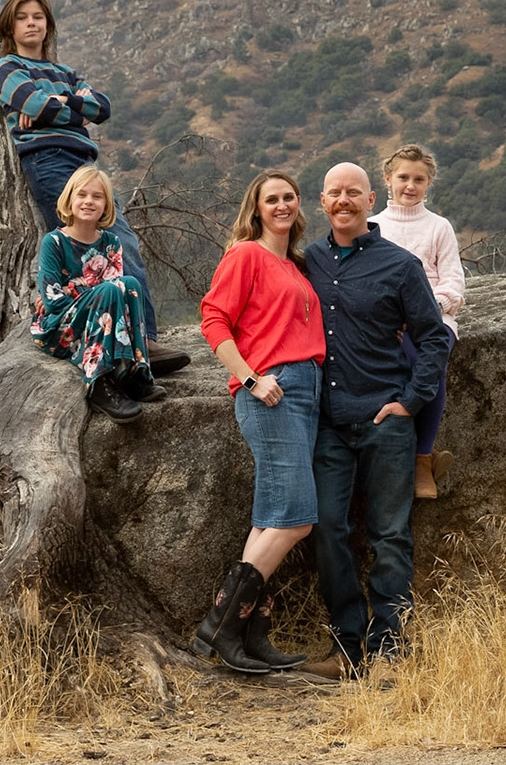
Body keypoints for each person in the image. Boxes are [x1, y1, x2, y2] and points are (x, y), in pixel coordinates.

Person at [301, 162, 452, 679]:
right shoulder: (310, 261)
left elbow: (432, 336)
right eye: (334, 193)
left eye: (353, 193)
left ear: (371, 200)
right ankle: (348, 649)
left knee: (390, 534)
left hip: (386, 419)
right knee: (326, 528)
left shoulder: (400, 265)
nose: (343, 201)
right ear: (322, 201)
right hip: (329, 423)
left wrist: (410, 401)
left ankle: (388, 651)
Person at [0, 0, 187, 378]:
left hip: (83, 164)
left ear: (48, 25)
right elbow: (38, 106)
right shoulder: (7, 67)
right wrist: (70, 109)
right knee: (78, 250)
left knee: (119, 242)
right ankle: (115, 343)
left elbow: (102, 107)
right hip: (47, 162)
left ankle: (140, 338)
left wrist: (58, 104)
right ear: (9, 27)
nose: (32, 23)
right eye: (23, 17)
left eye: (39, 17)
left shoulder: (63, 72)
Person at [193, 171, 326, 674]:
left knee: (271, 519)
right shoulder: (246, 254)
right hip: (272, 392)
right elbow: (213, 319)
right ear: (256, 207)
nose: (282, 205)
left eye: (289, 197)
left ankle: (250, 634)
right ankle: (219, 626)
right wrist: (250, 379)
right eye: (271, 198)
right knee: (297, 517)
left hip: (306, 392)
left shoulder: (295, 264)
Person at [373, 144, 466, 500]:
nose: (410, 185)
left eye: (418, 179)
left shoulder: (438, 227)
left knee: (430, 363)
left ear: (429, 184)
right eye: (403, 177)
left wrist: (423, 312)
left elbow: (454, 285)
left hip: (435, 319)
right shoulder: (374, 227)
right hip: (390, 322)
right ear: (387, 179)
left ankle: (422, 459)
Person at [31, 165, 156, 422]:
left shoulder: (110, 242)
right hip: (63, 329)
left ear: (106, 205)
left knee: (130, 284)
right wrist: (90, 291)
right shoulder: (54, 242)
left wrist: (74, 288)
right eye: (82, 195)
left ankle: (134, 373)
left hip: (100, 320)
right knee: (111, 289)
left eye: (97, 197)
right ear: (70, 199)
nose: (89, 201)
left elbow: (118, 294)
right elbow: (54, 302)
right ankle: (98, 383)